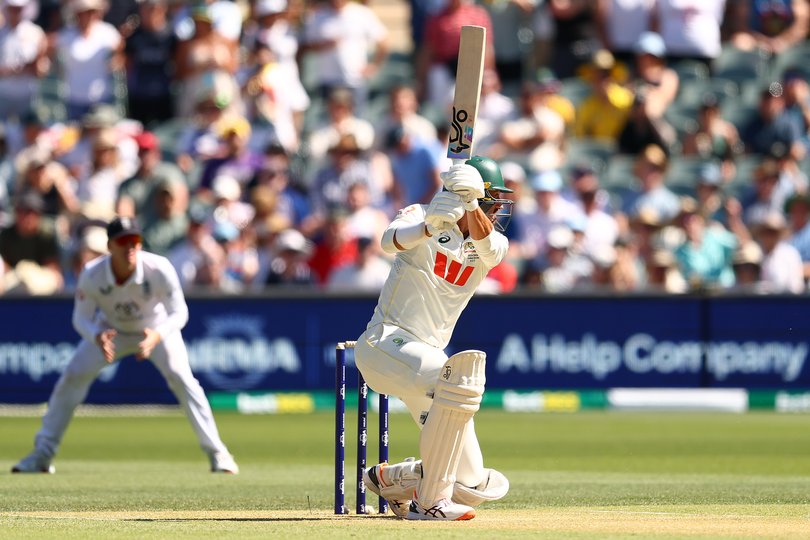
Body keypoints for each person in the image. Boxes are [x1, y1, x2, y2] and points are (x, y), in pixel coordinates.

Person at [11, 216, 239, 474]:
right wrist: (96, 335)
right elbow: (81, 318)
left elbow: (179, 313)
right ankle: (42, 455)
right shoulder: (92, 274)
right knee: (73, 376)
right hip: (111, 332)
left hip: (155, 329)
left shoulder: (159, 268)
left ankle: (219, 454)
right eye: (123, 242)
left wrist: (157, 335)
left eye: (135, 241)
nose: (130, 247)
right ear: (110, 246)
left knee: (182, 378)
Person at [355, 156, 511, 521]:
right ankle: (430, 504)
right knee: (457, 376)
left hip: (424, 363)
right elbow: (388, 242)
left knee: (472, 485)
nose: (500, 208)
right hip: (385, 344)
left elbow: (488, 250)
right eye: (495, 200)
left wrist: (469, 205)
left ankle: (392, 479)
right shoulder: (421, 212)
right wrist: (427, 227)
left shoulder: (494, 243)